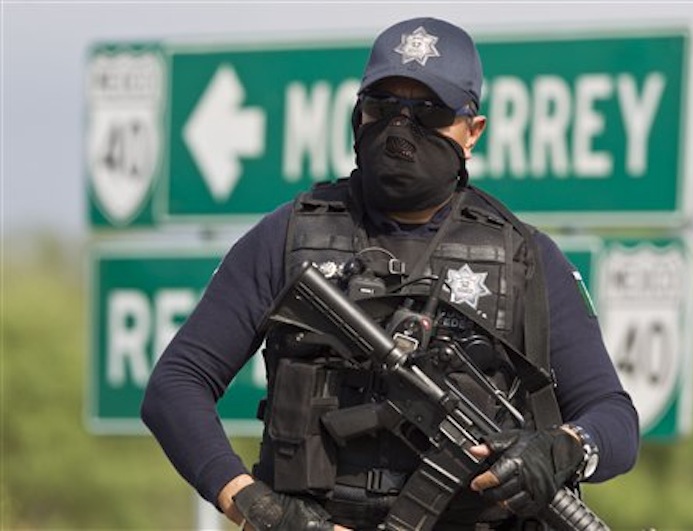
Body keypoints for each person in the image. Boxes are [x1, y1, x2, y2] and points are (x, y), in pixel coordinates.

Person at [141, 17, 639, 531]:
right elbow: (175, 386)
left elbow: (615, 421)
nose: (401, 128)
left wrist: (564, 448)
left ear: (473, 131)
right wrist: (257, 509)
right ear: (358, 115)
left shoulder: (525, 259)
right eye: (382, 107)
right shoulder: (287, 237)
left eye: (429, 112)